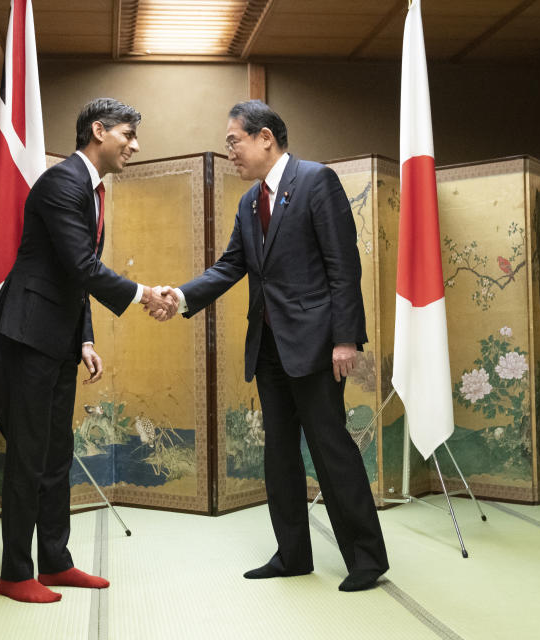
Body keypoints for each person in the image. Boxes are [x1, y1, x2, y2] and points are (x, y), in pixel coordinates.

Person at [162, 100, 389, 591]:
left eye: (234, 142)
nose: (231, 154)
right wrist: (180, 296)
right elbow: (229, 267)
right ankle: (292, 554)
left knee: (332, 450)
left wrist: (345, 338)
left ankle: (366, 559)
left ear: (266, 137)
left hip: (316, 344)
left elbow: (343, 266)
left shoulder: (316, 181)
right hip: (267, 345)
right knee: (279, 454)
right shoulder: (249, 203)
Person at [0, 97, 177, 603]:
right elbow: (81, 267)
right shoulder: (61, 183)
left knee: (55, 454)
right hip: (28, 334)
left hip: (58, 338)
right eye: (127, 136)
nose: (134, 146)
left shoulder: (91, 190)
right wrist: (143, 295)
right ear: (99, 130)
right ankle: (14, 573)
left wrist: (85, 338)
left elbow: (75, 276)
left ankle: (54, 562)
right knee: (28, 455)